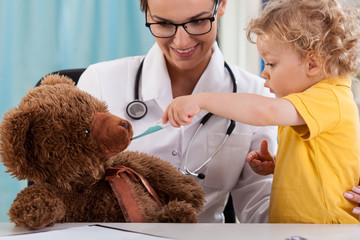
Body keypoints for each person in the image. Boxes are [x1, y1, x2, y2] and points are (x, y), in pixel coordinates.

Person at [77, 0, 278, 223]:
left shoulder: (258, 96)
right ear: (147, 14)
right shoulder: (100, 82)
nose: (181, 42)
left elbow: (260, 204)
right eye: (163, 24)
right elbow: (71, 187)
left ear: (221, 5)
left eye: (198, 21)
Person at [162, 0, 360, 223]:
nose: (265, 73)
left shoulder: (330, 98)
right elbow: (322, 169)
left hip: (327, 231)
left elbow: (264, 111)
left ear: (312, 63)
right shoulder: (307, 104)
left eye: (272, 64)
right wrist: (280, 165)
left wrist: (202, 99)